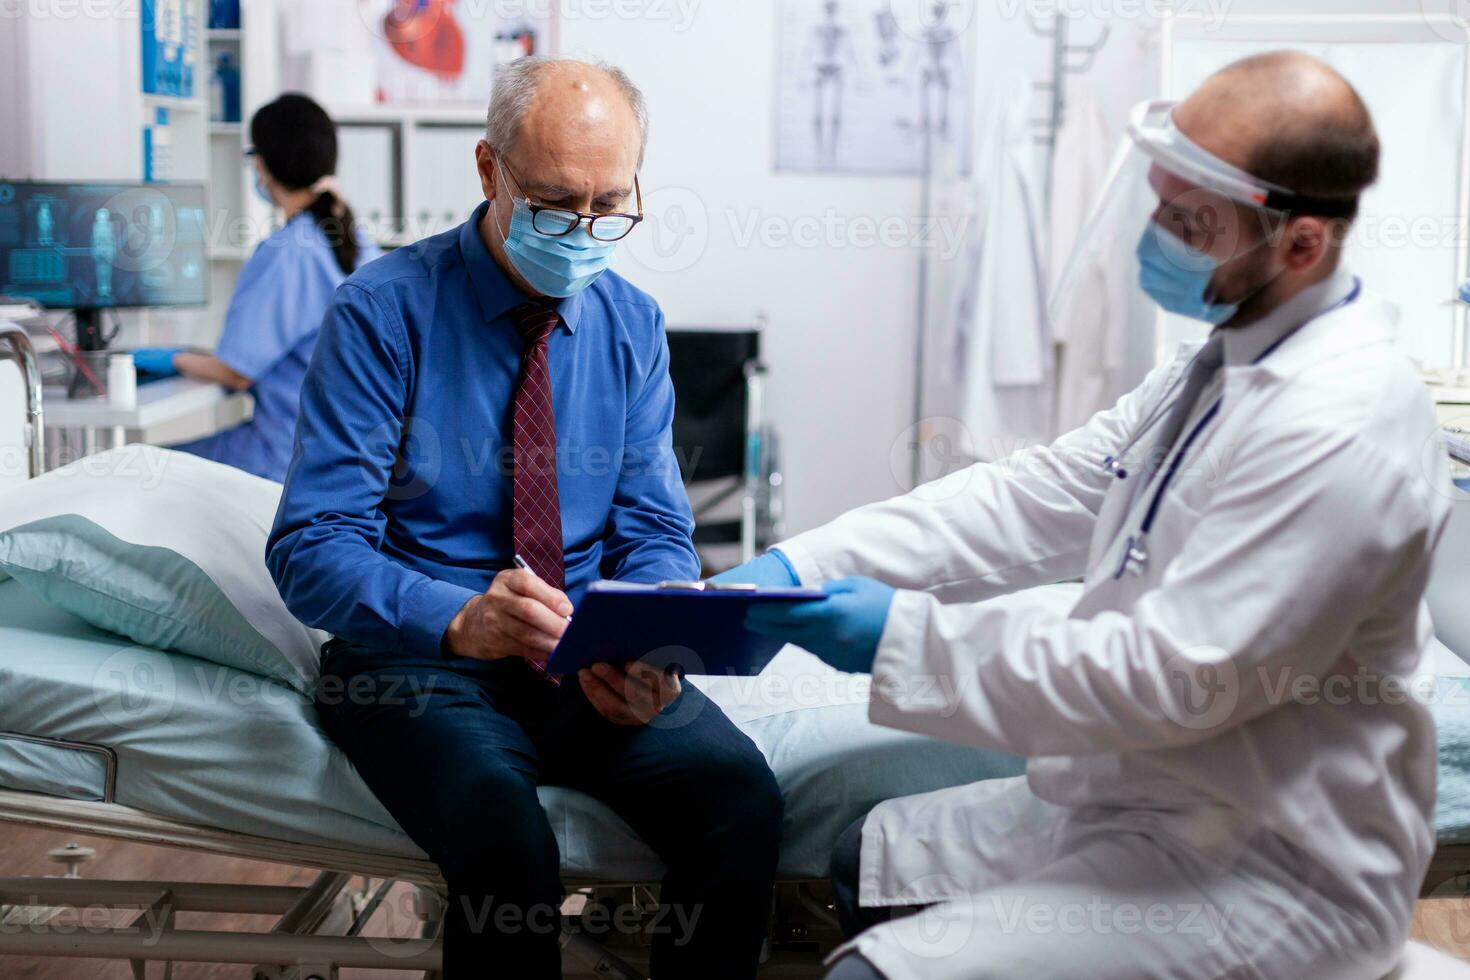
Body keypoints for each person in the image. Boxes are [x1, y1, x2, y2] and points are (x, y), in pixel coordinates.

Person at [718, 52, 1449, 979]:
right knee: (859, 855)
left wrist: (903, 641)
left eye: (1190, 223)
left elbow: (1171, 679)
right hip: (1146, 795)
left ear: (1301, 245)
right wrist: (804, 563)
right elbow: (1033, 496)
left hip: (1267, 867)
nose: (1160, 238)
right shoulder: (1213, 367)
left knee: (865, 973)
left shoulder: (1341, 426)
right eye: (1159, 205)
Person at [266, 58, 783, 979]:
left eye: (608, 205)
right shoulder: (383, 314)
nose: (583, 233)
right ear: (487, 170)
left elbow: (655, 526)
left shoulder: (630, 325)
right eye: (552, 203)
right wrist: (457, 619)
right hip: (420, 666)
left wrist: (658, 636)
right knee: (510, 850)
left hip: (587, 657)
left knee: (741, 802)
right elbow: (311, 546)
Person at [135, 93, 382, 483]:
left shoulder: (286, 252)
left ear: (262, 165)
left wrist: (170, 359)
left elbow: (235, 372)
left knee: (135, 469)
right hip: (352, 458)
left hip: (286, 456)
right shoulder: (357, 240)